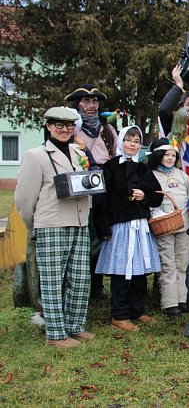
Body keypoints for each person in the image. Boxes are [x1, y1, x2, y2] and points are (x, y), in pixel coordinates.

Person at [15, 107, 95, 348]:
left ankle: (74, 326)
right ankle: (55, 333)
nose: (64, 129)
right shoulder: (36, 155)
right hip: (51, 223)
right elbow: (24, 198)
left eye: (69, 125)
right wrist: (35, 224)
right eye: (58, 125)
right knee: (52, 280)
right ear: (49, 127)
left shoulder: (78, 152)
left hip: (79, 222)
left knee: (80, 279)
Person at [93, 126, 163, 331]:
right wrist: (103, 227)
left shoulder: (143, 168)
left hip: (140, 226)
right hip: (120, 227)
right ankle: (119, 314)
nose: (132, 144)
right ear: (121, 142)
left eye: (136, 141)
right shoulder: (110, 167)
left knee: (140, 270)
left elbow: (157, 196)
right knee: (122, 271)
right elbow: (101, 199)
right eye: (128, 140)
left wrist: (145, 196)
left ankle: (138, 310)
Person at [66, 84, 119, 300]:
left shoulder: (108, 130)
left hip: (105, 184)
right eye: (86, 101)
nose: (91, 106)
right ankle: (79, 286)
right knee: (85, 235)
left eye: (94, 102)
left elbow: (114, 155)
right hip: (82, 184)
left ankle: (96, 285)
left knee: (103, 233)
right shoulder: (72, 130)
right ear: (77, 104)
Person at [147, 138, 189, 317]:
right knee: (168, 263)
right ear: (159, 156)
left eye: (173, 155)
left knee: (183, 262)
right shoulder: (152, 174)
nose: (170, 158)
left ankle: (183, 299)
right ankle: (170, 302)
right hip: (163, 224)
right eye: (166, 154)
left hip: (183, 223)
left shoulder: (182, 175)